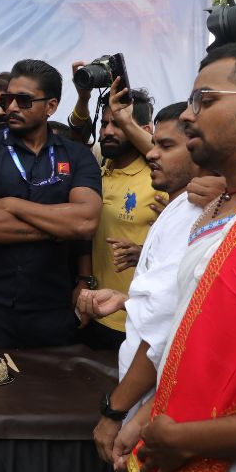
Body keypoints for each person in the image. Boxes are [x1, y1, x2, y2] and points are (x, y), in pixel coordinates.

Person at [123, 42, 236, 472]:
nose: (190, 116)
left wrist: (187, 439)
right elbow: (185, 333)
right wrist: (146, 418)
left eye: (206, 101)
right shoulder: (213, 209)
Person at [75, 103, 208, 470]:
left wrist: (116, 412)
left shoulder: (196, 213)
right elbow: (173, 303)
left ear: (199, 147)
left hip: (158, 406)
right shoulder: (181, 206)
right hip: (151, 401)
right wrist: (126, 300)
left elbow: (161, 334)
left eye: (165, 146)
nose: (150, 153)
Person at [0, 59, 102, 348]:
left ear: (51, 106)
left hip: (52, 308)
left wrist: (13, 205)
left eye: (23, 100)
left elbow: (85, 221)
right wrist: (57, 229)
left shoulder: (77, 156)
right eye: (8, 99)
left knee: (49, 379)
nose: (10, 107)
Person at [82, 86, 163, 350]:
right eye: (104, 123)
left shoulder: (160, 180)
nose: (107, 131)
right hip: (96, 311)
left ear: (144, 130)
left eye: (118, 124)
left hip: (137, 321)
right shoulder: (98, 169)